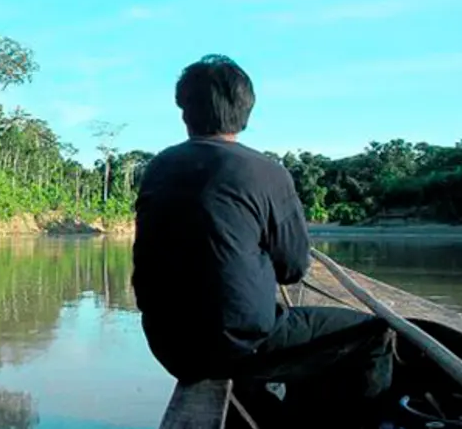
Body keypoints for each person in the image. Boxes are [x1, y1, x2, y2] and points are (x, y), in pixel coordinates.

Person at [131, 54, 395, 428]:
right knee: (376, 336)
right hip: (237, 346)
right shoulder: (267, 171)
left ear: (185, 112)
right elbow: (292, 268)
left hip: (166, 344)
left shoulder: (158, 166)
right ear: (245, 112)